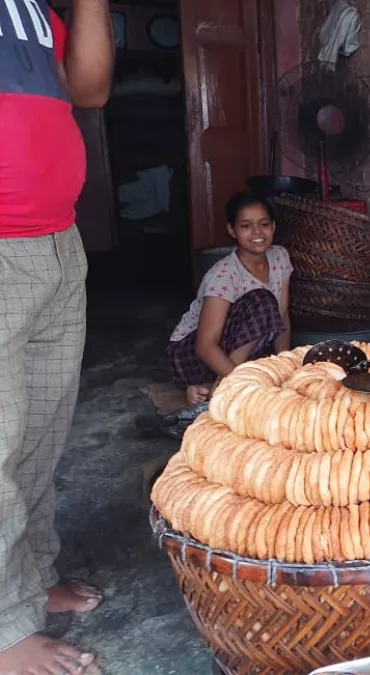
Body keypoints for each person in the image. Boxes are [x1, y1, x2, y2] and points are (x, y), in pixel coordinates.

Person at [0, 1, 114, 672]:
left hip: (54, 240)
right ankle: (3, 628)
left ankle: (28, 580)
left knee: (40, 432)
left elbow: (89, 88)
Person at [167, 194, 292, 404]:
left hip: (239, 349)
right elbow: (205, 346)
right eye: (246, 226)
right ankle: (224, 386)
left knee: (272, 369)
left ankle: (208, 388)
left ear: (273, 226)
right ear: (232, 230)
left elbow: (282, 316)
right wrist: (242, 385)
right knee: (263, 301)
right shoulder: (224, 275)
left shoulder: (279, 257)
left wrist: (287, 367)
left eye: (264, 224)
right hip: (192, 354)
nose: (257, 233)